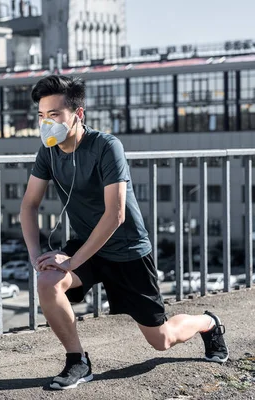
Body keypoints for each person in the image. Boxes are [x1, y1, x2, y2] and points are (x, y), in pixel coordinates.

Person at [20, 75, 228, 390]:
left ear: (78, 114)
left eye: (54, 115)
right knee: (47, 280)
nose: (46, 124)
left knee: (162, 339)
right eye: (41, 116)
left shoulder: (106, 146)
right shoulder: (47, 152)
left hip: (127, 250)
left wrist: (73, 262)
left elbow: (115, 214)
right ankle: (77, 360)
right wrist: (37, 256)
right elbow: (29, 206)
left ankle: (208, 324)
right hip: (87, 245)